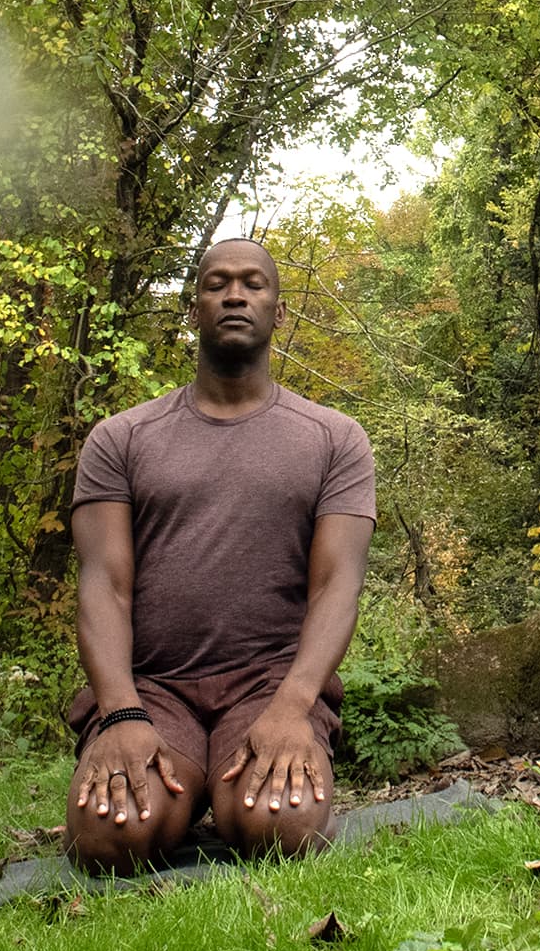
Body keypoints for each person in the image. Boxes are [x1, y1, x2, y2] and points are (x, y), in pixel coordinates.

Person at [62, 236, 374, 868]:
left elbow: (337, 585)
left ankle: (239, 782)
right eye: (216, 283)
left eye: (253, 284)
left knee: (282, 826)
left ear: (279, 310)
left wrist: (293, 706)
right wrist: (120, 712)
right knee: (109, 838)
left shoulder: (335, 439)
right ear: (194, 308)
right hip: (152, 687)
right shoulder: (121, 438)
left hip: (271, 683)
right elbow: (103, 585)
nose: (235, 295)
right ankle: (181, 782)